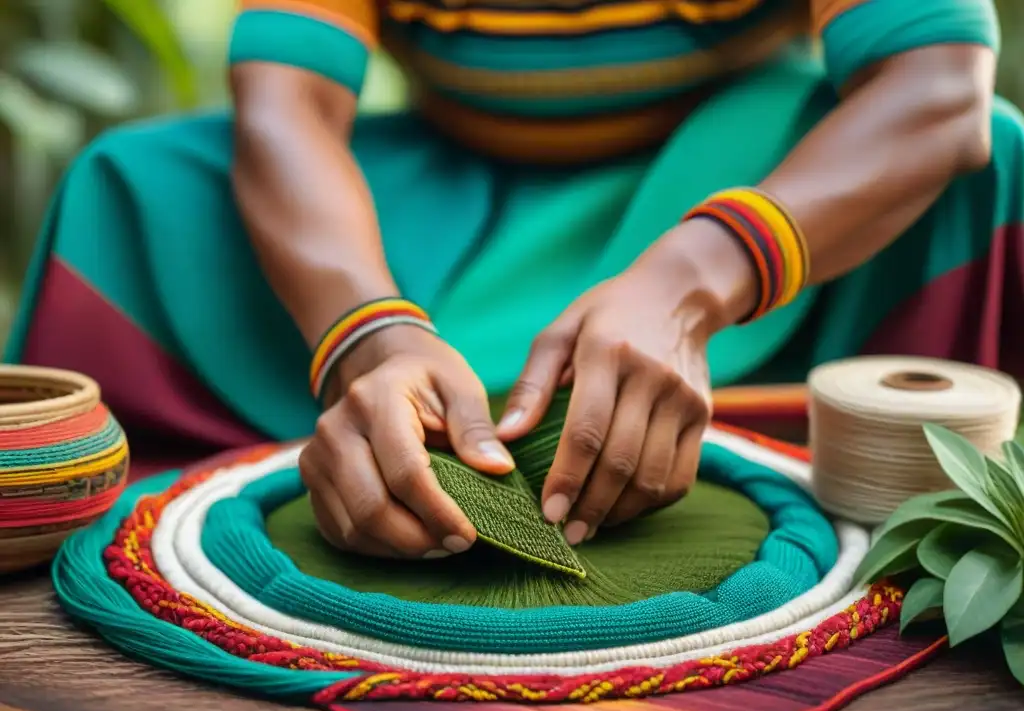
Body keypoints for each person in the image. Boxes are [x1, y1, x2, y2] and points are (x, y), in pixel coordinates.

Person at [6, 0, 1021, 559]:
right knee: (130, 186)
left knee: (994, 158)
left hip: (740, 188)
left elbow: (936, 84)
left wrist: (691, 282)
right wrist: (366, 330)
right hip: (444, 200)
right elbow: (285, 107)